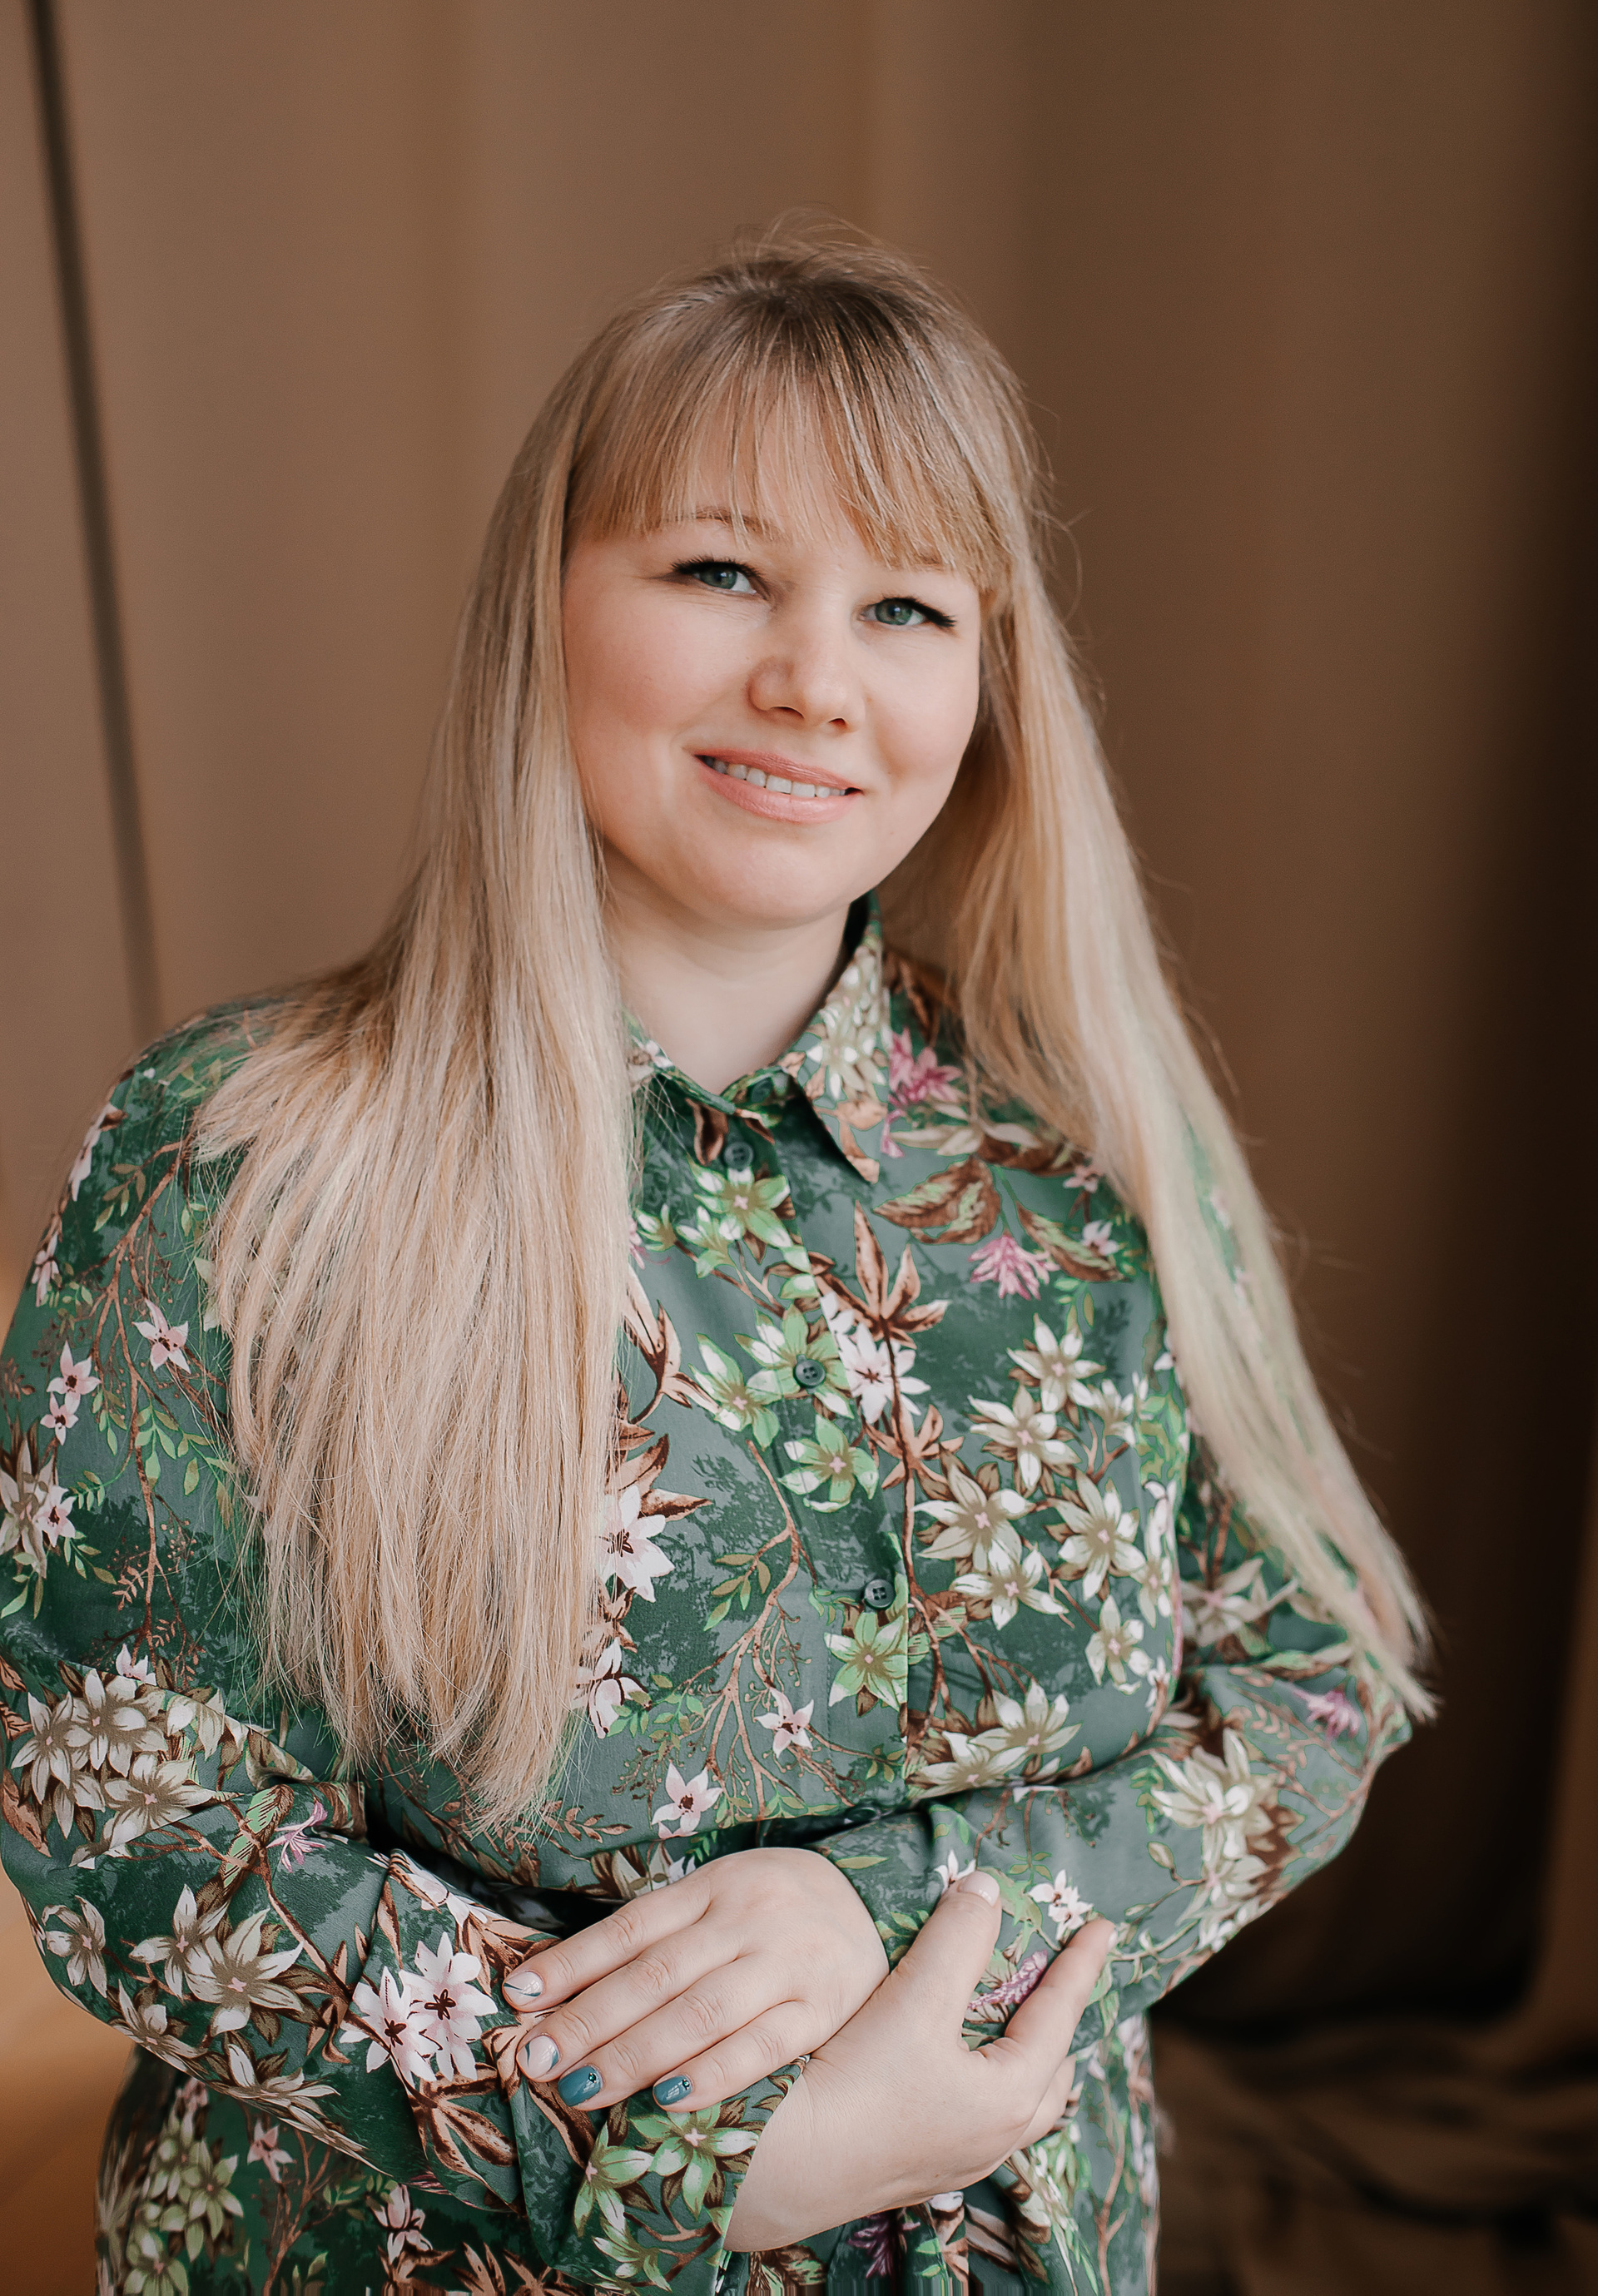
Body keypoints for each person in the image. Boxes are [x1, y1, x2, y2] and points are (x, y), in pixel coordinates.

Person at [0, 226, 1427, 2296]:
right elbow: (129, 1806)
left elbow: (1315, 1680)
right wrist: (676, 2159)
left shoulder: (1087, 1169)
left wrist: (899, 1908)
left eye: (907, 606)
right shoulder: (247, 1163)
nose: (816, 681)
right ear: (550, 607)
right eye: (722, 572)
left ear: (986, 685)